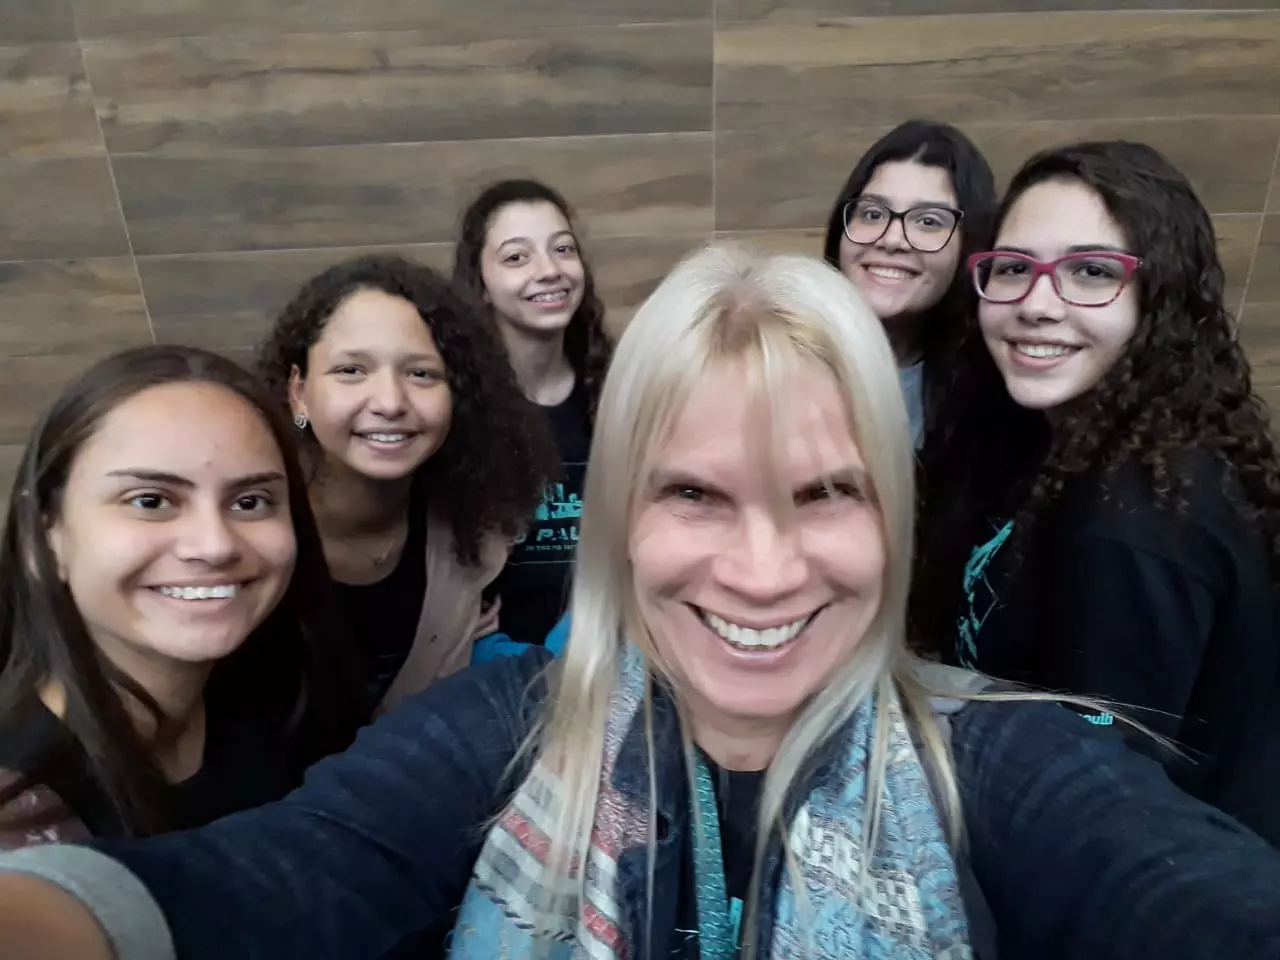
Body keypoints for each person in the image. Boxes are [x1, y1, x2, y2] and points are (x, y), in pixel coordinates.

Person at [2, 246, 1279, 960]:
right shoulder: (498, 729)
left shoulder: (1003, 764)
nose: (763, 571)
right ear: (618, 517)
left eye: (825, 491)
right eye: (693, 494)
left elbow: (1177, 889)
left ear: (894, 519)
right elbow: (264, 881)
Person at [912, 141, 1280, 845]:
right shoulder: (1052, 437)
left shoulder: (1135, 524)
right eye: (1014, 268)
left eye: (1090, 272)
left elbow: (1101, 799)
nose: (1036, 304)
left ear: (1159, 298)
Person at [0, 345, 362, 851]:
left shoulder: (284, 694)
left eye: (250, 501)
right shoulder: (21, 818)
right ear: (44, 541)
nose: (215, 545)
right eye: (150, 501)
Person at [256, 254, 553, 712]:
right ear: (299, 392)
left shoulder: (473, 529)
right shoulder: (247, 531)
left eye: (421, 374)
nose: (390, 402)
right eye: (351, 371)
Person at [453, 179, 612, 647]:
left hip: (607, 651)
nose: (549, 271)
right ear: (481, 283)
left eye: (563, 249)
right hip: (488, 663)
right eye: (516, 257)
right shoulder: (452, 405)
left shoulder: (618, 389)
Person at [823, 120, 997, 449]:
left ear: (971, 244)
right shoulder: (776, 357)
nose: (892, 240)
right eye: (873, 214)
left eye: (928, 221)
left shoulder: (996, 390)